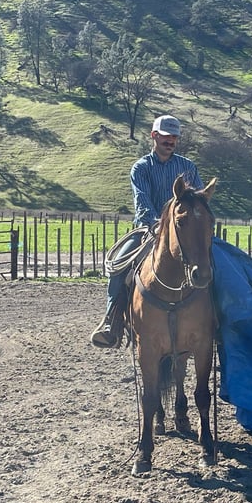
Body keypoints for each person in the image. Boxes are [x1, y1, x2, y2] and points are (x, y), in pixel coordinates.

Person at [90, 114, 203, 348]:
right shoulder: (141, 168)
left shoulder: (188, 167)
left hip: (185, 231)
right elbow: (142, 202)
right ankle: (112, 321)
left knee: (214, 262)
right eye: (165, 136)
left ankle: (222, 322)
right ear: (154, 136)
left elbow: (199, 200)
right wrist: (159, 225)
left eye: (174, 137)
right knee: (119, 265)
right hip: (148, 231)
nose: (170, 141)